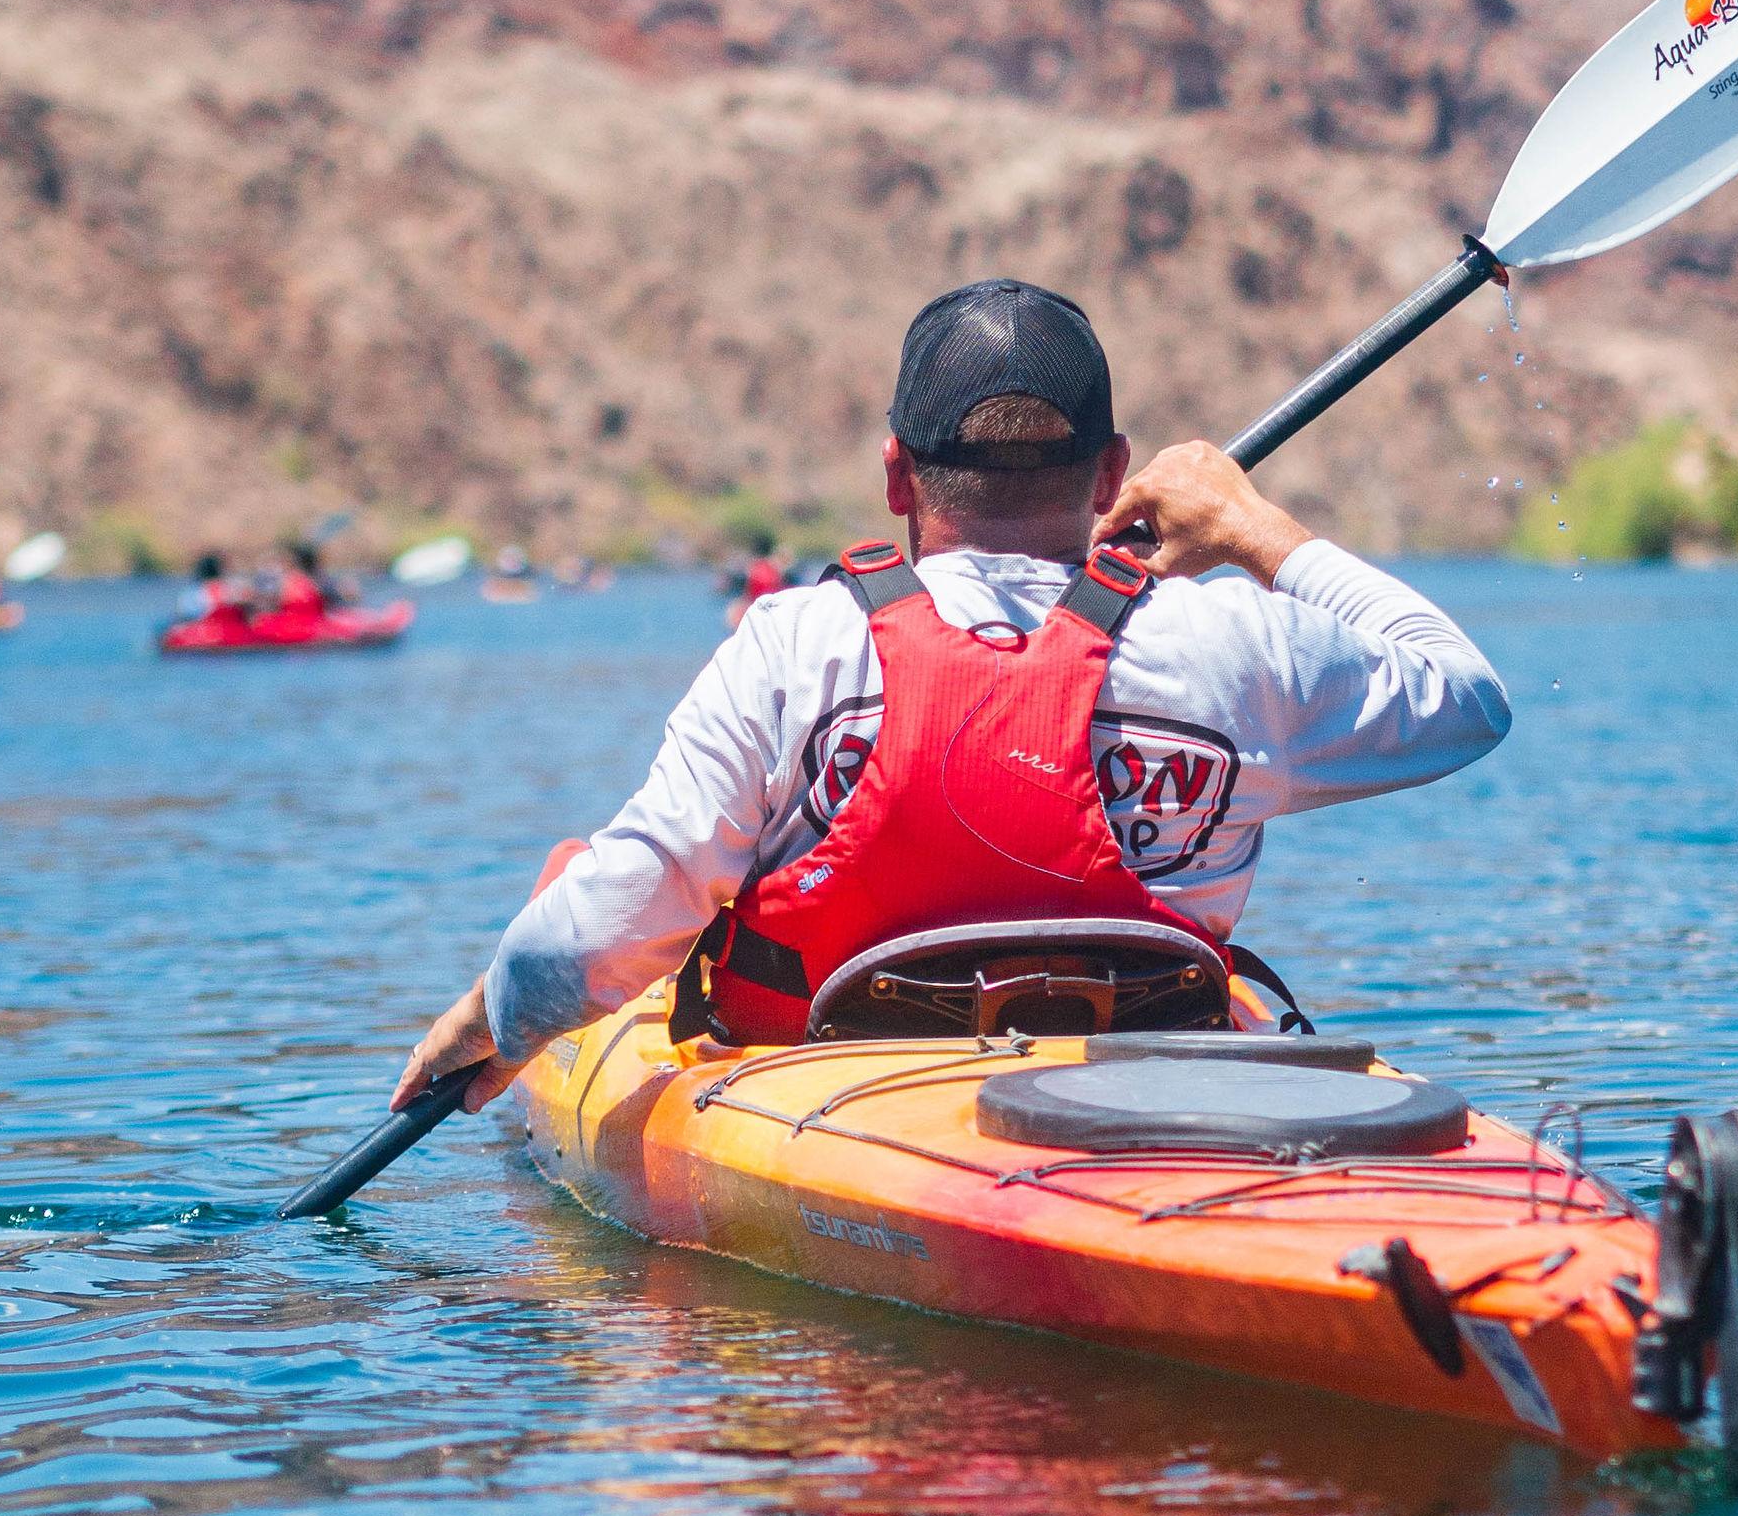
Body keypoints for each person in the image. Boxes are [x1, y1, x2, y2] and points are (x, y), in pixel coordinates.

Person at [393, 277, 1511, 1115]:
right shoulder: (1234, 640)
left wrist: (501, 1014)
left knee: (583, 873)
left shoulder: (797, 642)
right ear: (1113, 476)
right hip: (1157, 1084)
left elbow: (626, 907)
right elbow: (1466, 695)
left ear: (896, 476)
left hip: (836, 1092)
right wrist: (1253, 528)